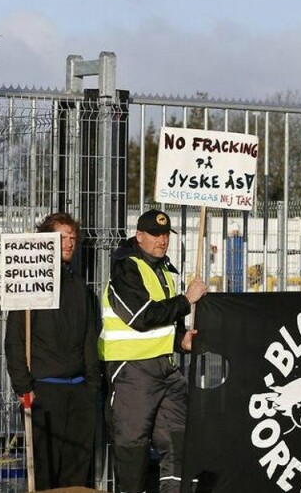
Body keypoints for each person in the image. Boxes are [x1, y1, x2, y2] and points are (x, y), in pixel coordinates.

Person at [100, 209, 207, 493]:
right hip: (133, 371)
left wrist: (181, 340)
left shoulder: (164, 271)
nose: (162, 240)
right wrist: (186, 300)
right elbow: (141, 317)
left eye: (165, 235)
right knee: (132, 446)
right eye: (155, 235)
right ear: (139, 236)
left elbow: (163, 325)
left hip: (165, 369)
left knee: (179, 441)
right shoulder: (126, 267)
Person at [3, 212, 100, 490]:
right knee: (44, 472)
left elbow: (89, 341)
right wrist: (24, 387)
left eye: (72, 238)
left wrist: (91, 387)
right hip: (44, 392)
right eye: (61, 237)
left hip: (79, 392)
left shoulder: (80, 289)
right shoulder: (29, 287)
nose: (69, 243)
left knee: (76, 471)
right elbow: (14, 341)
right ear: (46, 241)